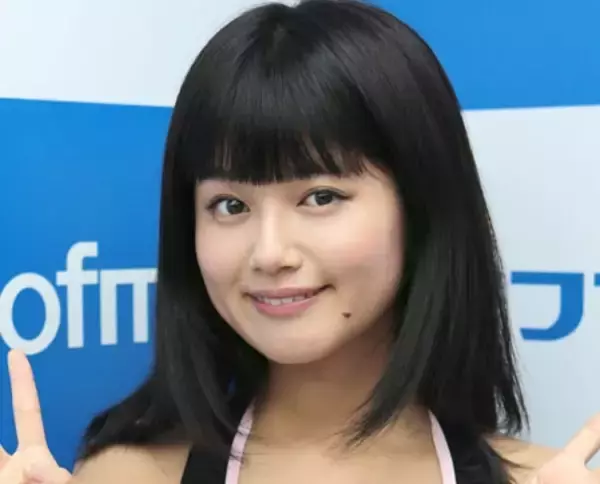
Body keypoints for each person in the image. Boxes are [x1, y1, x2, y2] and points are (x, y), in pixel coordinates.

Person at [1, 0, 600, 483]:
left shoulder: (532, 476)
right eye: (230, 205)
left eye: (320, 197)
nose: (269, 253)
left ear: (421, 206)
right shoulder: (131, 475)